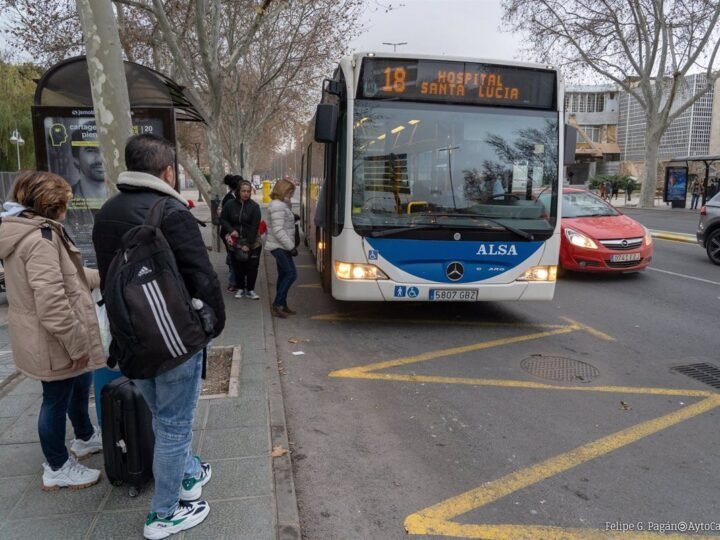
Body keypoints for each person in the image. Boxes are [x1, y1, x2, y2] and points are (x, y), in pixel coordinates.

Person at [92, 134, 226, 539]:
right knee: (174, 425)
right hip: (172, 342)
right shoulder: (170, 211)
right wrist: (212, 325)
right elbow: (202, 278)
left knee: (162, 415)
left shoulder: (107, 212)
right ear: (168, 171)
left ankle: (186, 473)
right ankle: (164, 515)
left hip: (129, 338)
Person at [0, 171, 105, 491]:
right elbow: (53, 303)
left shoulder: (30, 233)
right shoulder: (41, 239)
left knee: (76, 386)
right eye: (65, 203)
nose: (68, 209)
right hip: (53, 339)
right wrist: (77, 344)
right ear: (52, 205)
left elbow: (70, 278)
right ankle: (57, 466)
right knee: (55, 399)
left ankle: (85, 436)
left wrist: (106, 273)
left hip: (44, 336)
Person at [221, 179, 262, 300]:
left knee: (252, 266)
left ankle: (250, 289)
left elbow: (255, 227)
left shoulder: (255, 207)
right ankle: (240, 288)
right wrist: (230, 230)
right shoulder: (229, 205)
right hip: (236, 241)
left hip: (253, 241)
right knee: (238, 265)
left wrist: (248, 244)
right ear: (238, 191)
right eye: (243, 191)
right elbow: (223, 219)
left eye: (248, 191)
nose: (246, 194)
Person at [266, 178, 298, 318]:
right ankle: (277, 304)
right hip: (279, 246)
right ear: (283, 190)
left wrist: (292, 217)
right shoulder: (278, 206)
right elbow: (278, 230)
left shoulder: (281, 205)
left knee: (283, 275)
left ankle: (282, 305)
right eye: (290, 192)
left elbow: (281, 224)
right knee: (291, 274)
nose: (291, 195)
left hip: (281, 245)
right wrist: (291, 247)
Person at [71, 124, 107, 204]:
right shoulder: (64, 199)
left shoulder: (128, 198)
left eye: (107, 150)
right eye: (91, 150)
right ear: (76, 158)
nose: (100, 159)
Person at [219, 174, 240, 292]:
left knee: (232, 255)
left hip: (230, 233)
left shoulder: (231, 197)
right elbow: (227, 218)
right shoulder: (229, 199)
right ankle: (233, 282)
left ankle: (234, 279)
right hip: (229, 234)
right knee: (234, 257)